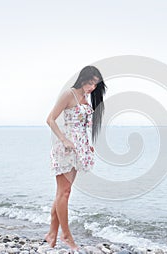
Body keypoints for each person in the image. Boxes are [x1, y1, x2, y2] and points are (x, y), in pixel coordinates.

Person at [44, 66, 107, 251]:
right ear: (82, 79)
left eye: (96, 84)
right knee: (64, 193)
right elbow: (50, 119)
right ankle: (66, 235)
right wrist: (64, 139)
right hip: (66, 148)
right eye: (90, 82)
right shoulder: (68, 94)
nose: (92, 87)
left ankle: (52, 233)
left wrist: (87, 144)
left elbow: (82, 126)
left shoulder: (86, 98)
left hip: (80, 148)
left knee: (64, 192)